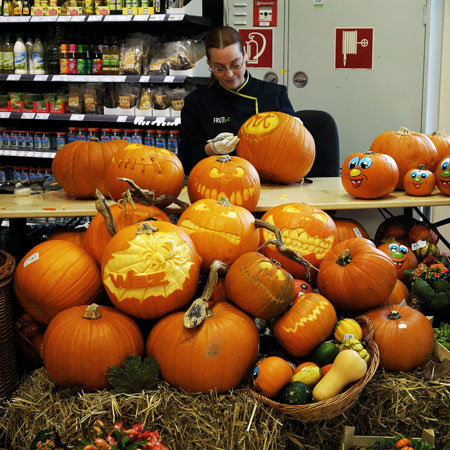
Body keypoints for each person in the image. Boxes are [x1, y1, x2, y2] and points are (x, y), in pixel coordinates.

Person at [178, 25, 295, 174]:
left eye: (235, 65)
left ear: (245, 55)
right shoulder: (196, 102)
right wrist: (211, 149)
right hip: (219, 182)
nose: (229, 74)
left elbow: (295, 152)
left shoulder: (275, 95)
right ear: (209, 64)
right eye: (219, 68)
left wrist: (293, 132)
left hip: (271, 183)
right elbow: (186, 159)